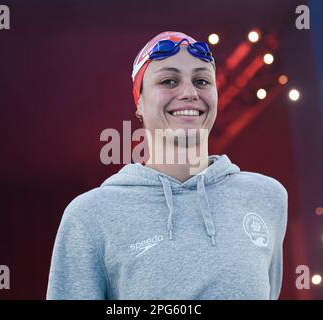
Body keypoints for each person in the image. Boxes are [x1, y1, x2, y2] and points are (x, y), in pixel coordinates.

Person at [47, 31, 288, 300]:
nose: (189, 93)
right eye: (169, 81)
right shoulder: (90, 216)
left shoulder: (267, 197)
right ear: (139, 101)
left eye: (201, 81)